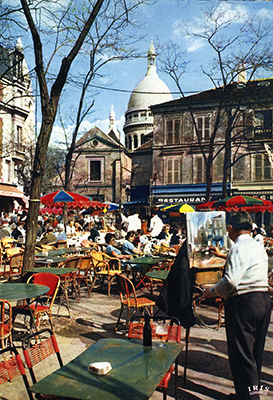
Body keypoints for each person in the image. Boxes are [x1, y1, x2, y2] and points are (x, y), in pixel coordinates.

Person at [202, 211, 271, 399]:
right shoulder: (258, 245)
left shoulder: (237, 248)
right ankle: (249, 394)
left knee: (242, 357)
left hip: (244, 304)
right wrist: (224, 256)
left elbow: (230, 282)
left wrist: (211, 291)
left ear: (231, 229)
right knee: (255, 355)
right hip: (263, 301)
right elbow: (247, 264)